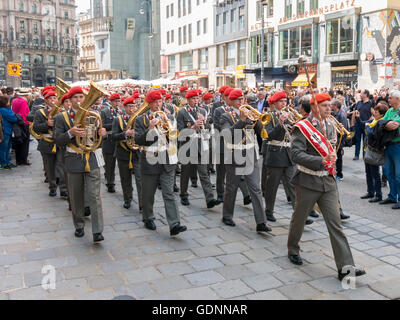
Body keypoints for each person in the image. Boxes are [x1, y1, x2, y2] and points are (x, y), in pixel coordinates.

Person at [287, 92, 366, 281]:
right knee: (299, 218)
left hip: (328, 182)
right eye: (324, 106)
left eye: (330, 105)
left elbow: (334, 145)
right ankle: (292, 249)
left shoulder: (331, 124)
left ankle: (345, 268)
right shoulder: (302, 127)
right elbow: (296, 155)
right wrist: (320, 160)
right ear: (314, 107)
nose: (329, 108)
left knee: (335, 224)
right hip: (308, 180)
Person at [54, 86, 107, 243]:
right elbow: (57, 140)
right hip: (73, 158)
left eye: (81, 97)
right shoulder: (61, 118)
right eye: (76, 98)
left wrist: (102, 134)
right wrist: (70, 133)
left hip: (91, 158)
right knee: (76, 196)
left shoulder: (94, 115)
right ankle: (79, 225)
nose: (79, 100)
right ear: (69, 101)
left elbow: (97, 140)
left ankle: (98, 231)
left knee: (94, 196)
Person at [134, 90, 187, 236]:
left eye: (160, 101)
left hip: (167, 159)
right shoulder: (141, 120)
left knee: (169, 192)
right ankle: (148, 217)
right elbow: (138, 140)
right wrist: (150, 128)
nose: (159, 105)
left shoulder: (169, 116)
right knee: (148, 193)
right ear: (149, 103)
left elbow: (174, 136)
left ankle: (174, 223)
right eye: (155, 102)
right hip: (150, 159)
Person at [219, 89, 271, 233]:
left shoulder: (251, 113)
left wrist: (258, 119)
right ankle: (227, 215)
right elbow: (228, 135)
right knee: (231, 187)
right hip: (234, 155)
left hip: (249, 154)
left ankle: (261, 222)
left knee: (255, 188)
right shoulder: (226, 116)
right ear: (231, 102)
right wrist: (241, 121)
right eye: (237, 100)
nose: (241, 102)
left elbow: (262, 132)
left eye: (242, 99)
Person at [176, 89, 220, 209]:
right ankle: (183, 194)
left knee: (204, 173)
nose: (196, 101)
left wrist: (205, 122)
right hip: (187, 146)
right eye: (194, 99)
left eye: (197, 98)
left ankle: (210, 198)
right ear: (188, 100)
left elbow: (206, 129)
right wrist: (194, 126)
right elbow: (180, 132)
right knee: (185, 173)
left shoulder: (203, 110)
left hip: (201, 145)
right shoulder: (182, 112)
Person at [33, 90, 67, 198]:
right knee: (50, 167)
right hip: (47, 142)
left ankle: (63, 189)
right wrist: (46, 124)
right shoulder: (40, 112)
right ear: (46, 101)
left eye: (55, 98)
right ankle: (52, 187)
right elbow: (36, 127)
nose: (53, 100)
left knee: (62, 166)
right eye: (50, 99)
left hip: (60, 142)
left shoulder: (62, 112)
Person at [112, 97, 143, 211]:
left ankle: (142, 203)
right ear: (124, 107)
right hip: (123, 153)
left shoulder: (139, 119)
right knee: (125, 179)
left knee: (140, 180)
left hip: (136, 153)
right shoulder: (118, 119)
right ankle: (127, 199)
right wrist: (125, 133)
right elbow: (113, 136)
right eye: (129, 106)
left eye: (133, 106)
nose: (132, 108)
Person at [357, 102, 389, 203]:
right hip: (368, 149)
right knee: (368, 173)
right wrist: (358, 118)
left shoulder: (381, 123)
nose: (374, 113)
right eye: (374, 111)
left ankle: (378, 194)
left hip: (374, 151)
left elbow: (371, 134)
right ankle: (370, 192)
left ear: (382, 115)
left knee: (375, 174)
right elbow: (363, 123)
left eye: (376, 112)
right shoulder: (374, 120)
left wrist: (367, 127)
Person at [380, 90, 400, 210]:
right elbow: (382, 122)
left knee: (398, 175)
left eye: (390, 98)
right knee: (388, 172)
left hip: (398, 145)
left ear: (397, 99)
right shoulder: (390, 110)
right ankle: (392, 196)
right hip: (388, 145)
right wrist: (386, 124)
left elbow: (395, 125)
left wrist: (386, 124)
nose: (388, 100)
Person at [101, 93, 122, 193]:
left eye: (118, 101)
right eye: (115, 101)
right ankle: (110, 183)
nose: (117, 103)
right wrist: (115, 122)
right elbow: (102, 125)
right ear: (111, 102)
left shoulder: (122, 111)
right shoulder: (105, 111)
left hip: (120, 140)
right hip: (109, 140)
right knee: (110, 165)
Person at [331, 99, 348, 181]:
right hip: (333, 138)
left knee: (338, 157)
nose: (330, 106)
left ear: (336, 106)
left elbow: (343, 130)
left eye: (332, 105)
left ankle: (340, 174)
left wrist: (340, 140)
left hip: (338, 139)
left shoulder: (341, 115)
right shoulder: (332, 113)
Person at [11, 96, 31, 165]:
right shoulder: (23, 101)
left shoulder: (14, 101)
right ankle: (23, 160)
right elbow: (23, 113)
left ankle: (18, 160)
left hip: (16, 122)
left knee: (18, 141)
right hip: (24, 122)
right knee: (25, 142)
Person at [353, 90, 373, 160]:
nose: (360, 95)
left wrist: (369, 122)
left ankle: (365, 155)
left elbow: (373, 114)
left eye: (361, 94)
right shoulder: (358, 103)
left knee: (365, 141)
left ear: (365, 95)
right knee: (357, 140)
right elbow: (354, 112)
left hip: (366, 125)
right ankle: (356, 155)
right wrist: (352, 123)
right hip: (357, 124)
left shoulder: (371, 103)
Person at [0, 96, 18, 170]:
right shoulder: (4, 110)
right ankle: (4, 163)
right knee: (5, 148)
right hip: (5, 131)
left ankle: (6, 162)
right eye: (8, 101)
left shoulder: (4, 109)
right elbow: (14, 118)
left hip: (7, 130)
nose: (9, 102)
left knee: (7, 148)